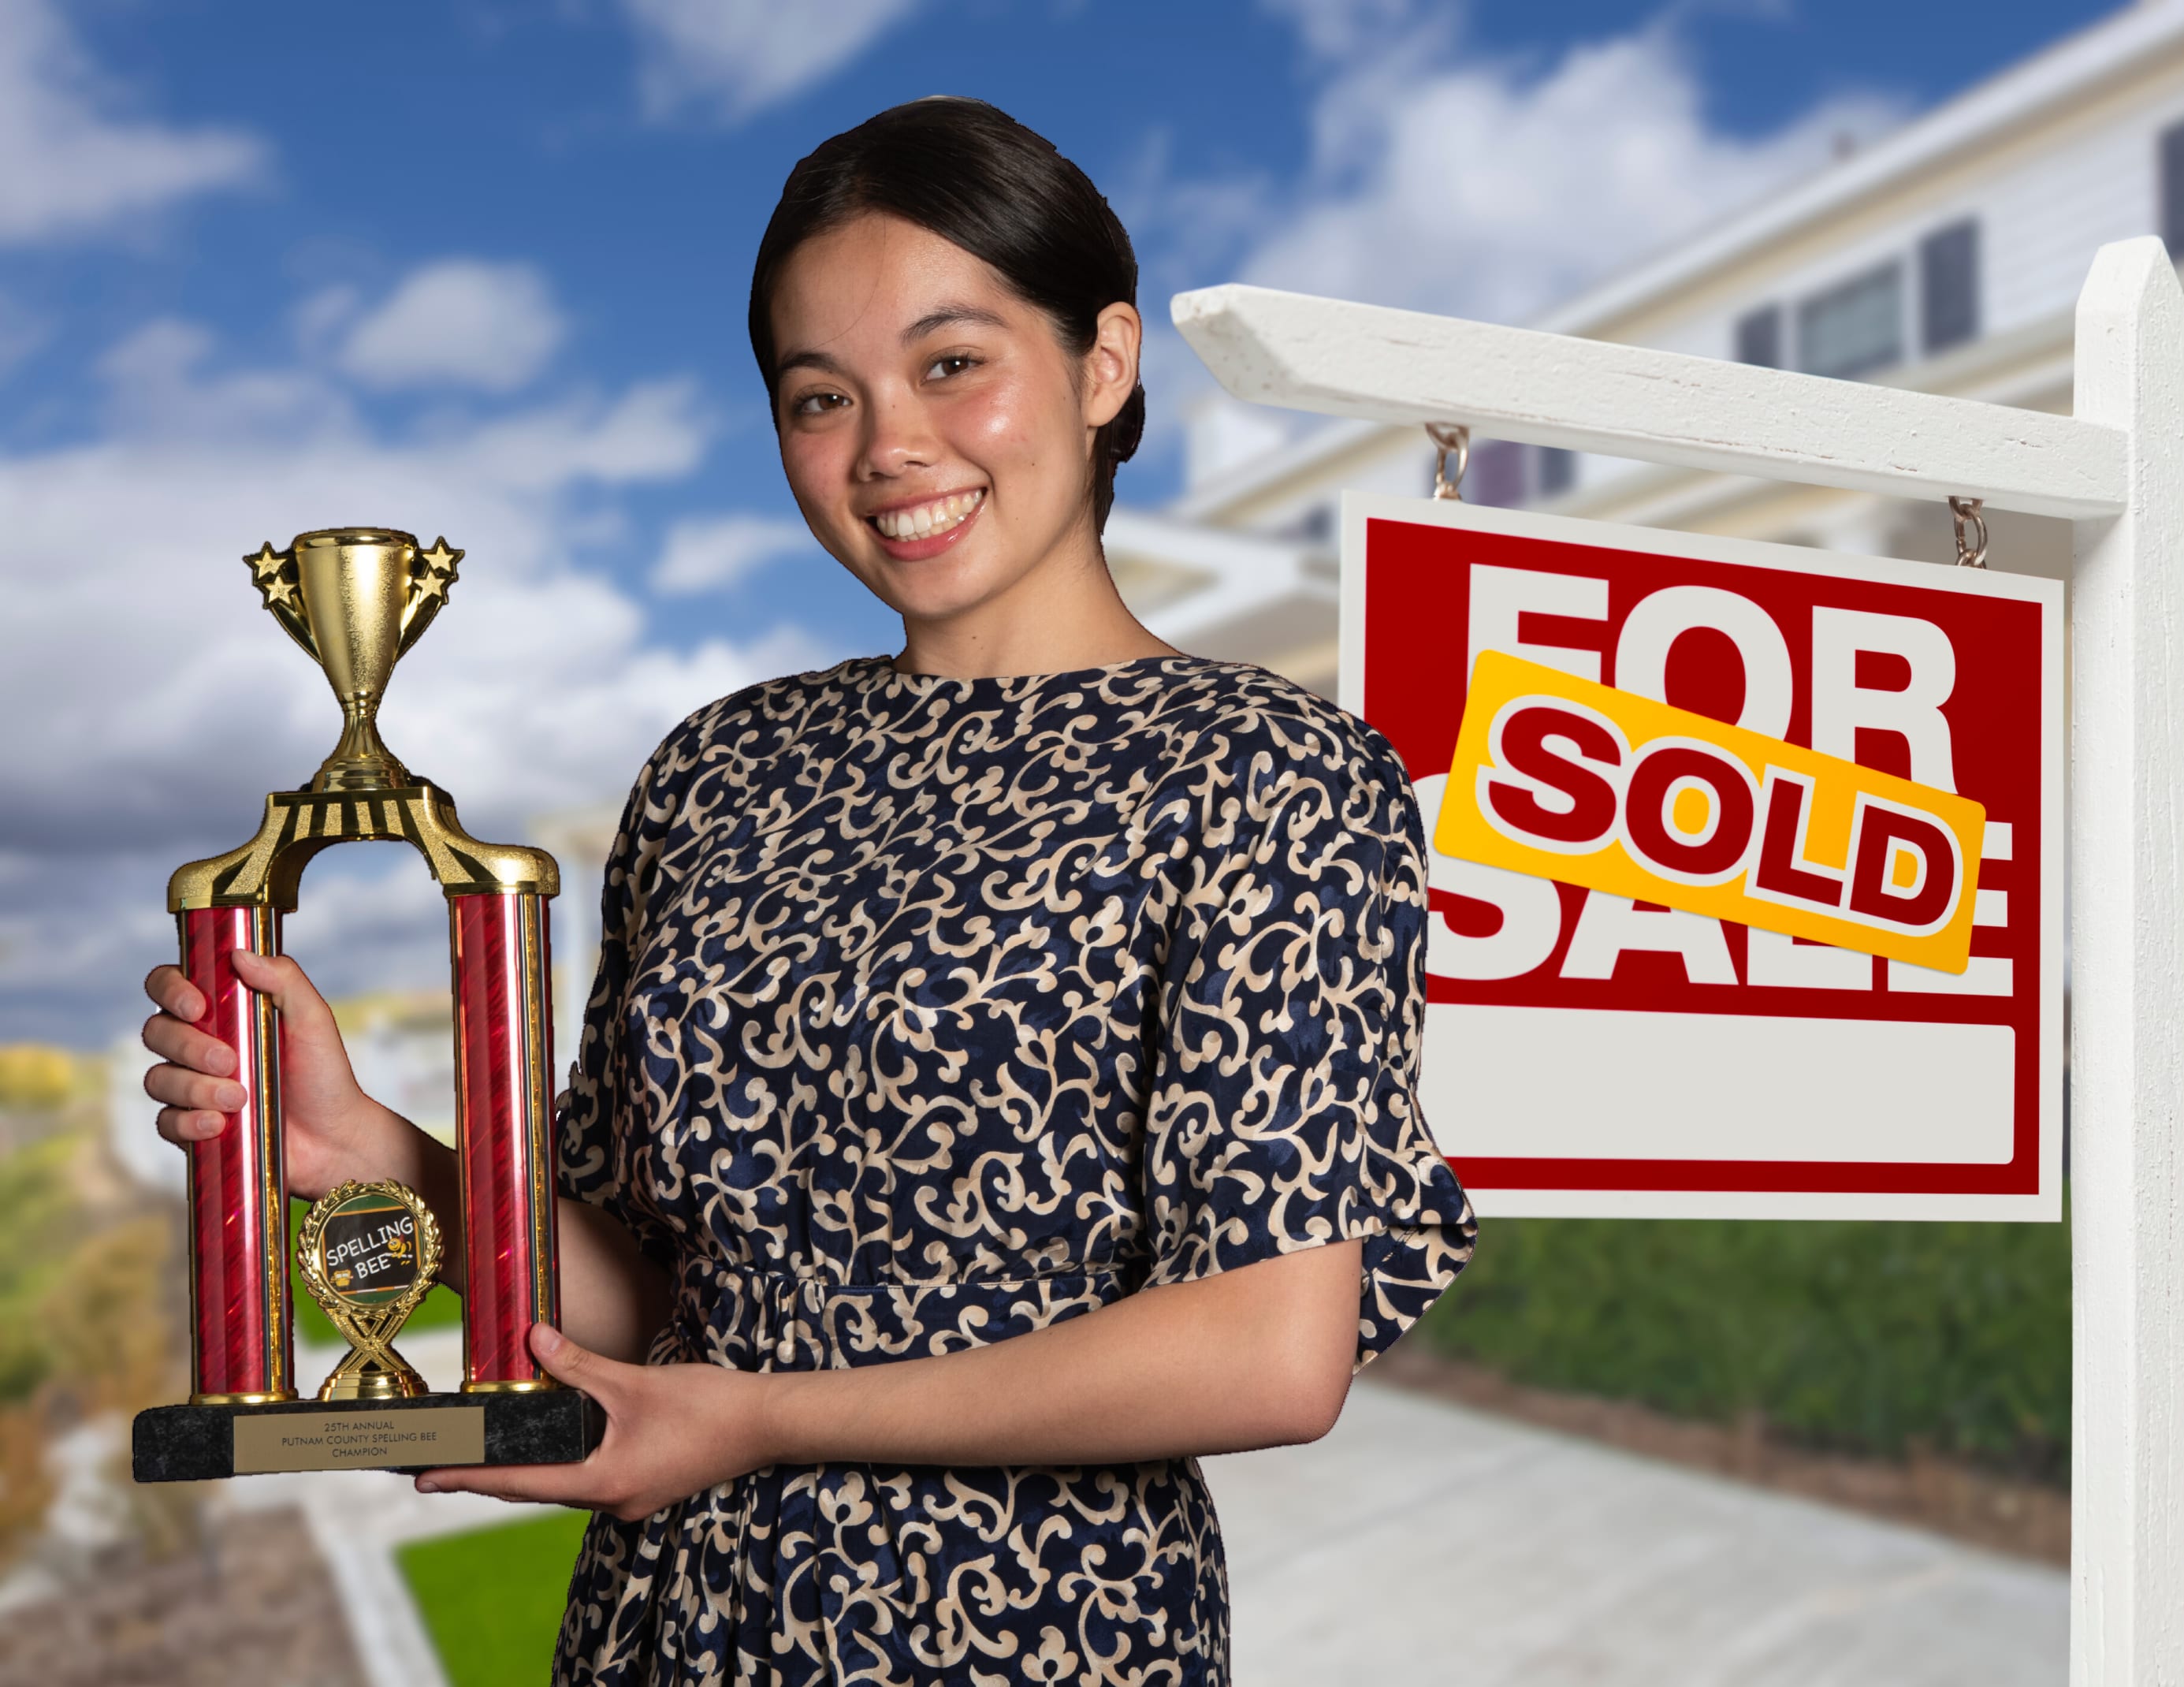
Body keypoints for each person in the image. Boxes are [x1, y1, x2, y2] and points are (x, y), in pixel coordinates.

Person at [140, 97, 1474, 1685]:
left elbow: (1269, 1347)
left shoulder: (1272, 774)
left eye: (953, 361)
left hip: (1038, 1632)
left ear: (1103, 363)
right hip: (672, 1622)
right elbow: (654, 1294)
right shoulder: (719, 768)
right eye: (818, 394)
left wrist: (753, 1415)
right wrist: (381, 1155)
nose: (888, 443)